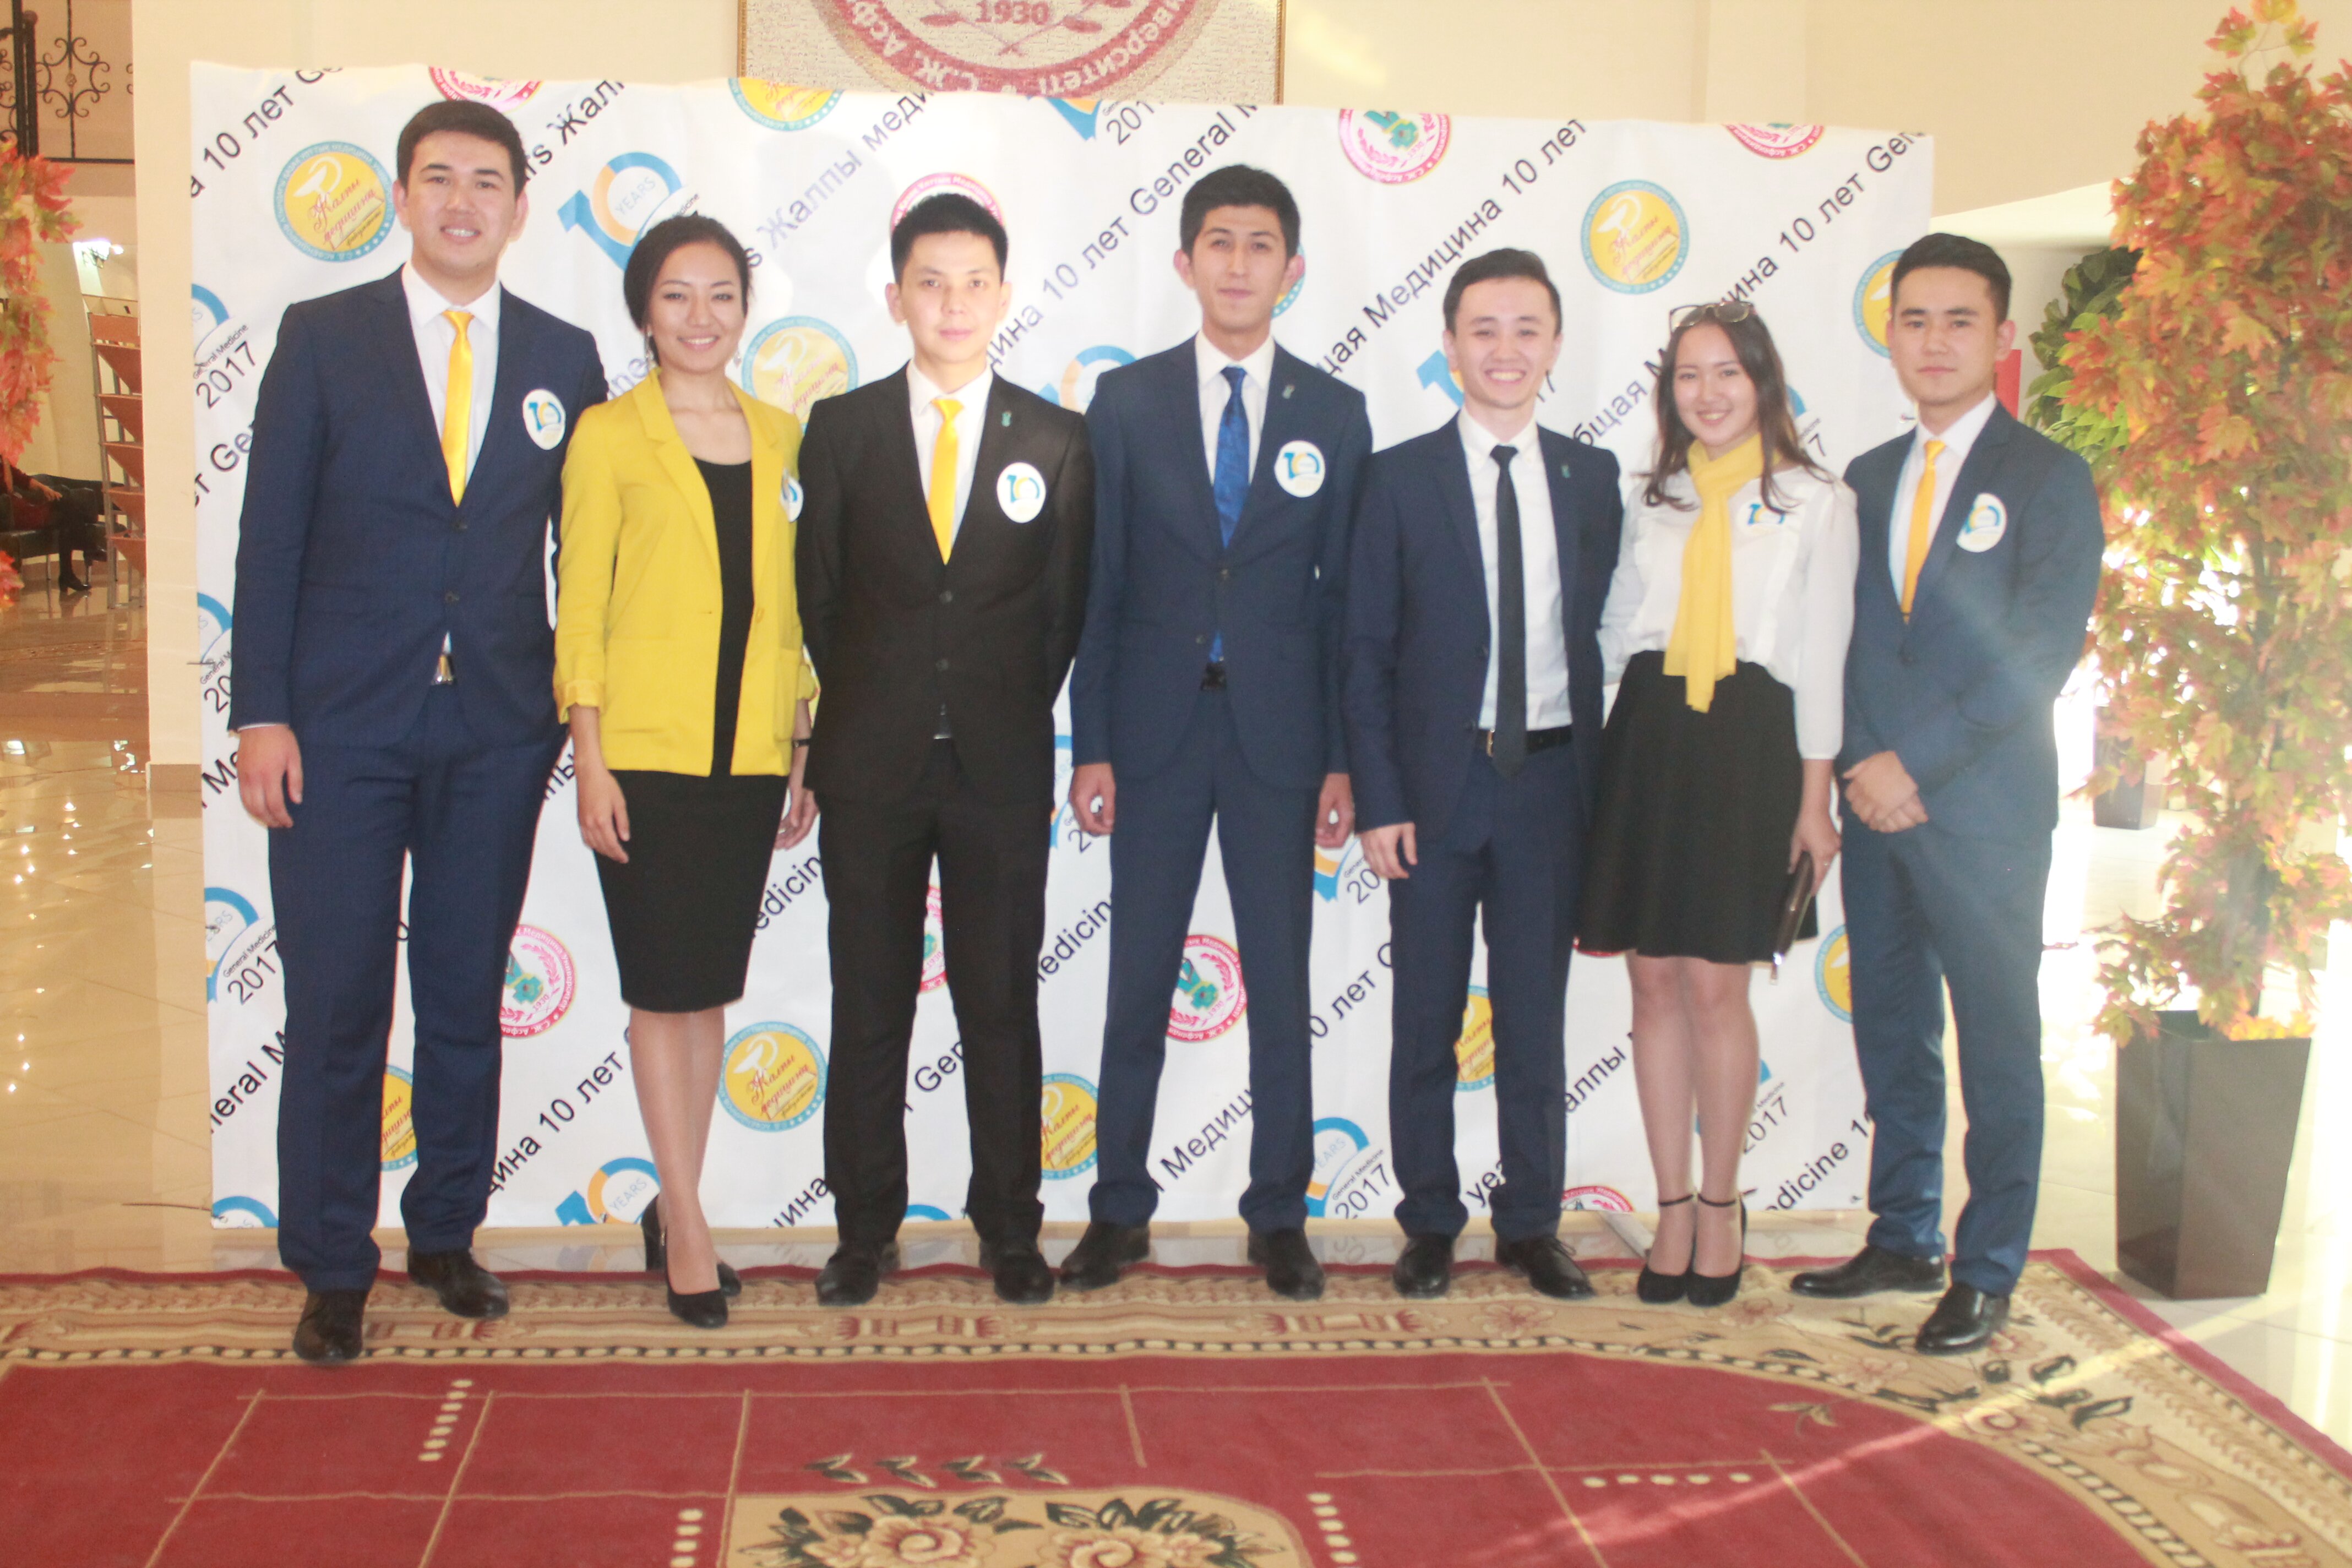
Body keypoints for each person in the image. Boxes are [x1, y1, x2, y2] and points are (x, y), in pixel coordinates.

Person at [230, 100, 606, 1363]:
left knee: (459, 994)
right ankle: (334, 1262)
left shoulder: (563, 356)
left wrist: (581, 716)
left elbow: (585, 557)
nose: (461, 200)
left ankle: (445, 1231)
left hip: (495, 729)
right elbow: (269, 536)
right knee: (338, 998)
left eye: (486, 181)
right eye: (437, 177)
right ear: (400, 197)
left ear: (518, 206)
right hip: (337, 731)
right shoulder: (324, 338)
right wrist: (262, 710)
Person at [1061, 166, 1371, 1300]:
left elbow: (1346, 607)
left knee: (1281, 986)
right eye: (1221, 243)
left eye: (1261, 245)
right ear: (1186, 263)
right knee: (1136, 983)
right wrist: (1092, 741)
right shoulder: (1126, 402)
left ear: (1293, 268)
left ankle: (1279, 1213)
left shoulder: (1336, 413)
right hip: (1153, 734)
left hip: (1281, 742)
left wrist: (1342, 756)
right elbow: (1099, 585)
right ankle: (1118, 1210)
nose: (1240, 264)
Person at [1790, 233, 2101, 1354]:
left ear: (2002, 336)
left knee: (1998, 1045)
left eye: (1959, 320)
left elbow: (2037, 656)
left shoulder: (2050, 478)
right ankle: (1904, 1233)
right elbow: (1845, 639)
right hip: (1877, 813)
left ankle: (1989, 1267)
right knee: (1894, 1030)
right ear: (1891, 337)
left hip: (1984, 814)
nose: (1935, 340)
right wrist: (1864, 769)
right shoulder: (1868, 476)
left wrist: (1911, 766)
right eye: (1915, 319)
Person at [796, 193, 1094, 1308]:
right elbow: (821, 599)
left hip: (999, 770)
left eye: (975, 283)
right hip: (869, 767)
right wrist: (888, 701)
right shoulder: (842, 429)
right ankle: (863, 1228)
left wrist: (983, 705)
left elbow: (1061, 615)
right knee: (870, 1004)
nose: (953, 304)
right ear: (895, 297)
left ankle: (1010, 1227)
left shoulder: (1057, 440)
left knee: (1000, 1005)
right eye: (931, 282)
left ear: (1005, 298)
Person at [555, 215, 817, 1330]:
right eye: (677, 295)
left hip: (748, 756)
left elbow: (798, 609)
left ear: (745, 309)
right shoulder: (608, 437)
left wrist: (801, 746)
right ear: (644, 312)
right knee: (660, 992)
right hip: (647, 758)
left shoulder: (784, 436)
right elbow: (582, 607)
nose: (700, 316)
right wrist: (590, 757)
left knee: (707, 989)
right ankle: (692, 1226)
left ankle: (679, 1201)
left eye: (720, 295)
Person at [1343, 249, 1621, 1301]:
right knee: (1424, 1018)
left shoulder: (1592, 479)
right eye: (1484, 329)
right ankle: (1428, 1221)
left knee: (1534, 1023)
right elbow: (1364, 653)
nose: (1505, 350)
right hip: (1433, 790)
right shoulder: (1398, 478)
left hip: (1549, 787)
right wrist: (1380, 799)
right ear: (1451, 345)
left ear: (1555, 344)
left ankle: (1531, 1223)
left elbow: (1609, 640)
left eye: (1526, 329)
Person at [1582, 303, 1857, 1308]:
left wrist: (1815, 802)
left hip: (1752, 745)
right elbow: (1617, 632)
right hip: (1649, 738)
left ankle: (1722, 1202)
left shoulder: (1816, 501)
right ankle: (1668, 1205)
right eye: (1688, 376)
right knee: (1653, 982)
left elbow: (1822, 662)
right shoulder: (1651, 497)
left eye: (1727, 373)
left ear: (1763, 382)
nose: (1707, 393)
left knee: (1715, 990)